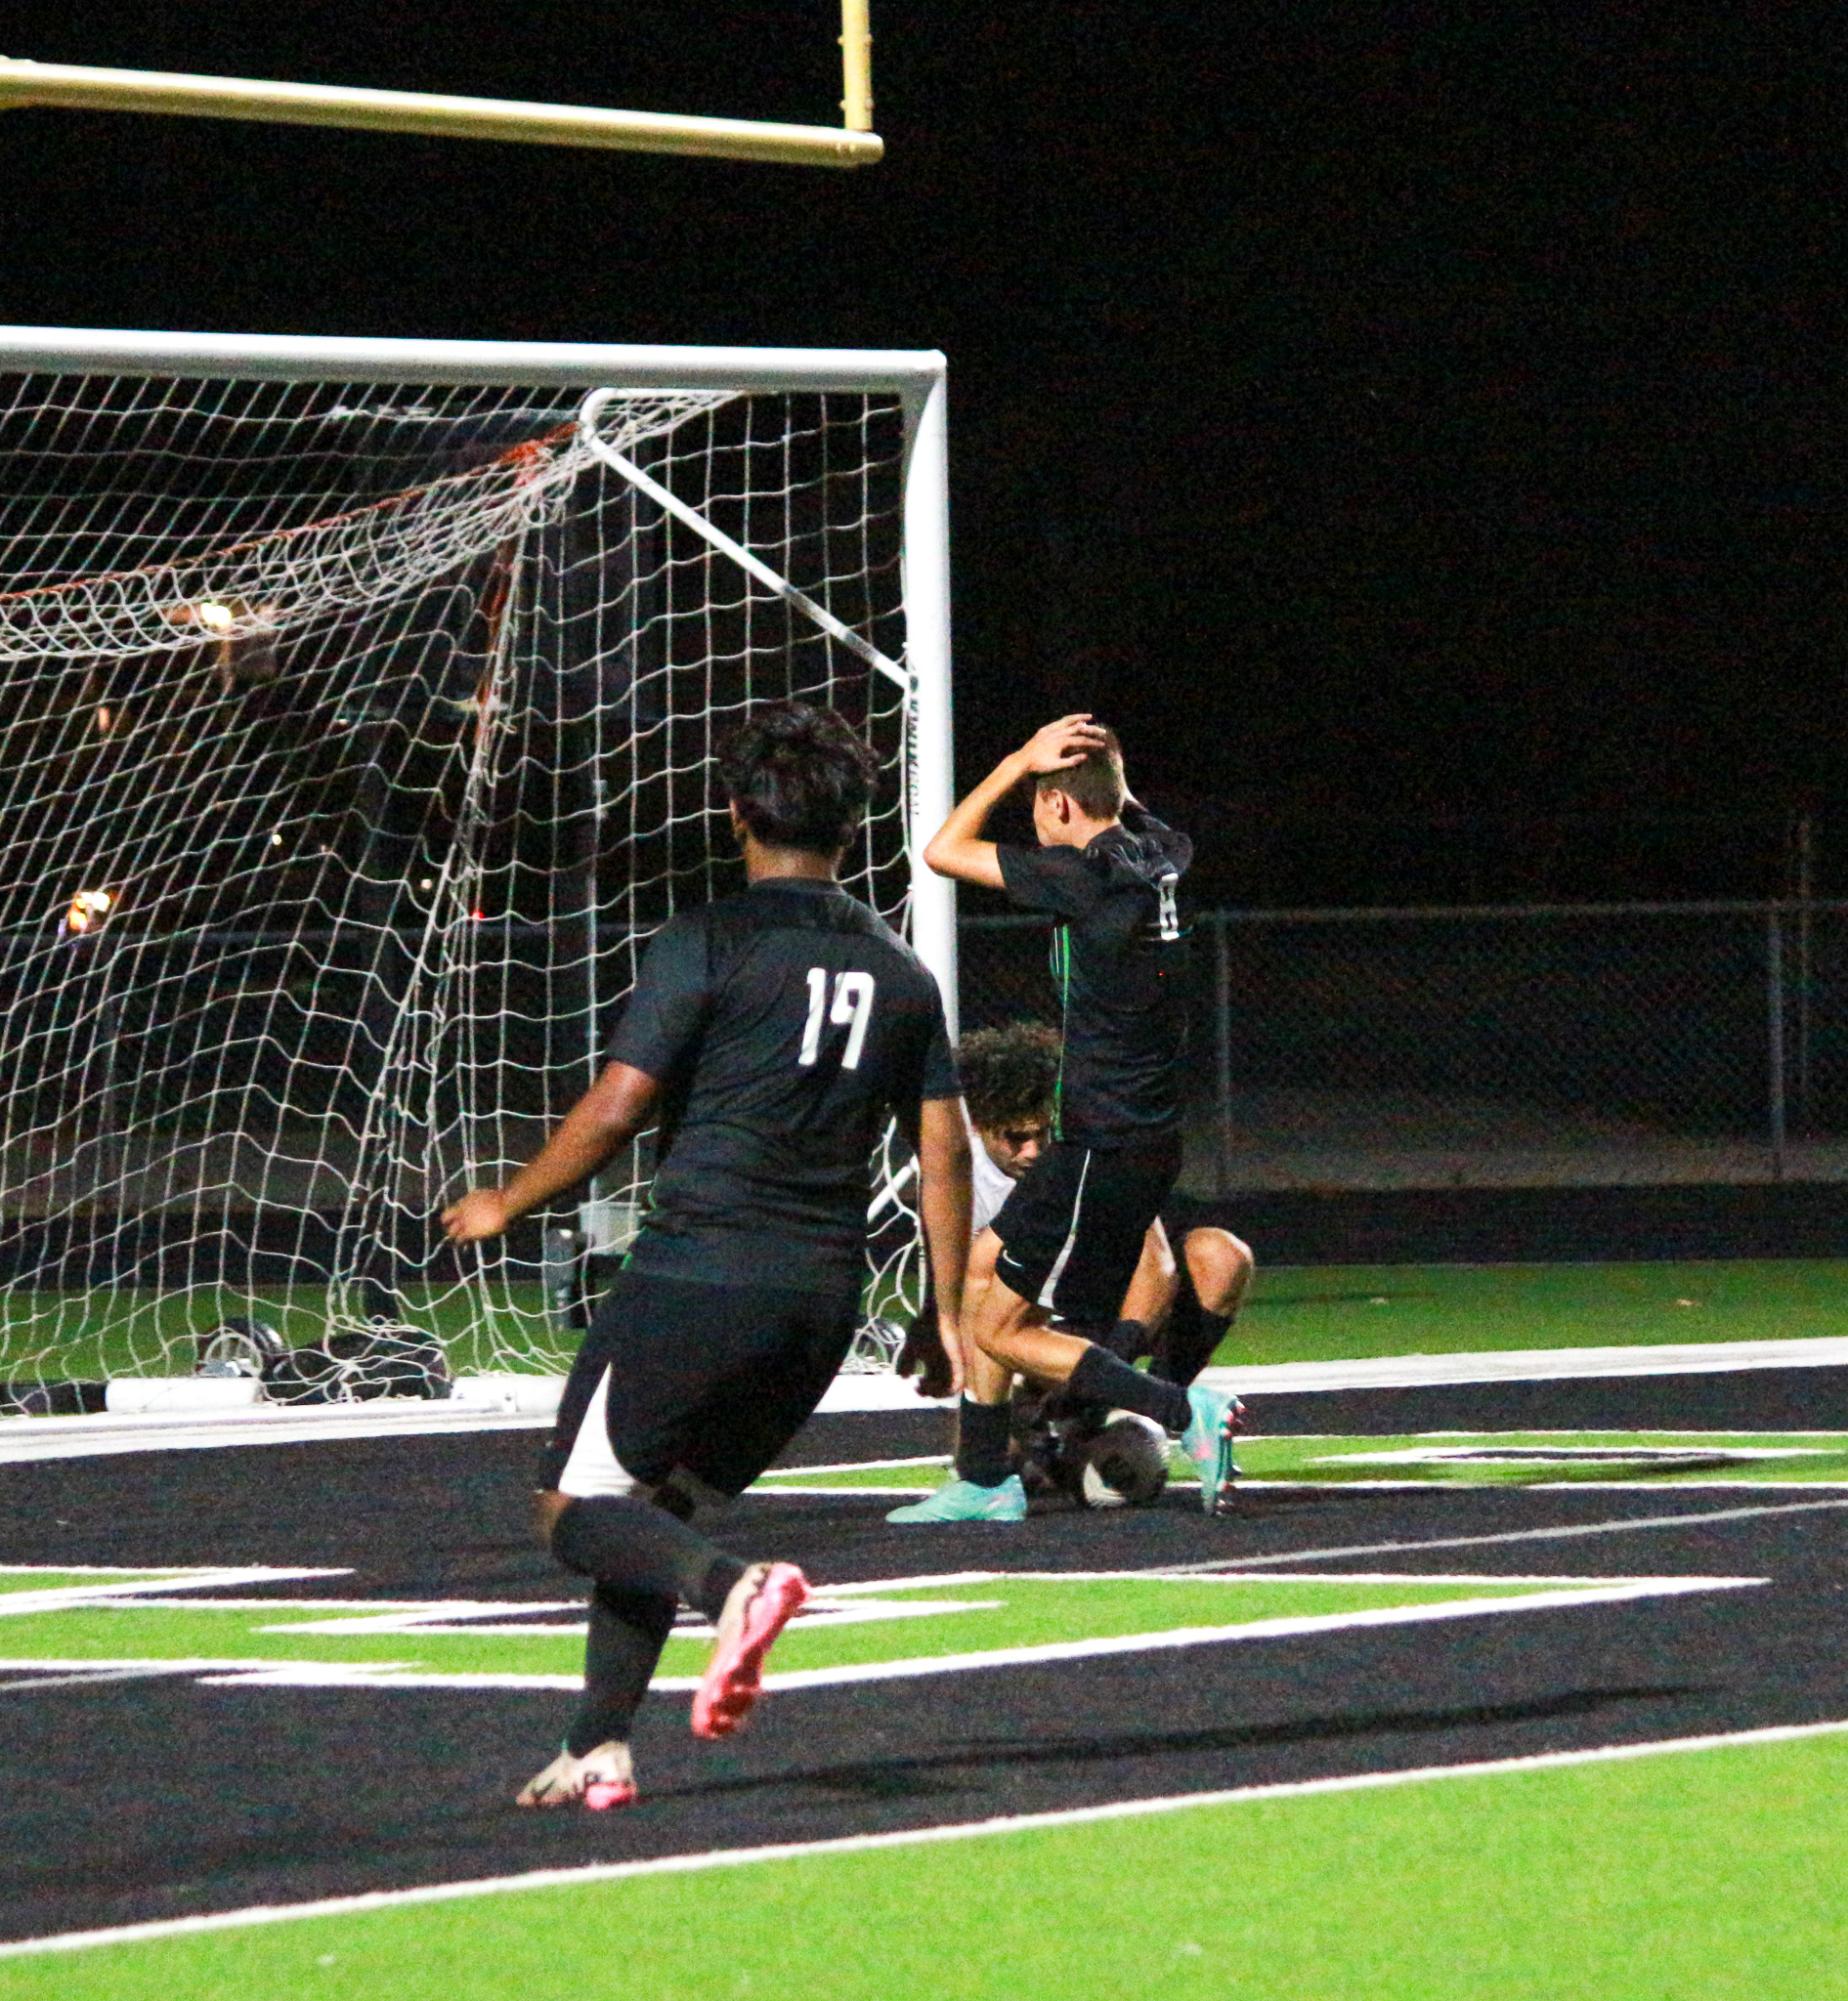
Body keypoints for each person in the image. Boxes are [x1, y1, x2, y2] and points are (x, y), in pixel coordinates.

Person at [442, 701, 969, 1808]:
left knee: (570, 1512)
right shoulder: (906, 973)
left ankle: (736, 1593)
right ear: (851, 823)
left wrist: (511, 1199)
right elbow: (942, 1154)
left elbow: (618, 1108)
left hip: (701, 1276)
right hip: (822, 1300)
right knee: (654, 1513)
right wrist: (946, 1309)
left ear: (736, 814)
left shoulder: (707, 941)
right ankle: (600, 1744)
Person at [889, 716, 1246, 1525]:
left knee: (999, 1326)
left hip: (1099, 1137)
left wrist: (1018, 759)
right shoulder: (1165, 856)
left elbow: (942, 850)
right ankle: (986, 1477)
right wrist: (1102, 771)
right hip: (1143, 1138)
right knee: (986, 1270)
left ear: (1055, 805)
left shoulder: (1077, 875)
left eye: (1040, 804)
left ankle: (1183, 1410)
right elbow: (1119, 807)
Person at [899, 1019, 1254, 1500]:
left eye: (1042, 1133)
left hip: (1100, 1324)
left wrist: (1114, 1374)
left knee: (1220, 1257)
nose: (1032, 1151)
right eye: (1015, 1137)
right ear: (979, 1123)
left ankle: (1140, 1409)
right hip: (1026, 1337)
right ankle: (1030, 1438)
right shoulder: (957, 1175)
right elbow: (965, 1300)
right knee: (1008, 1464)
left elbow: (1158, 1266)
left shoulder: (1077, 1153)